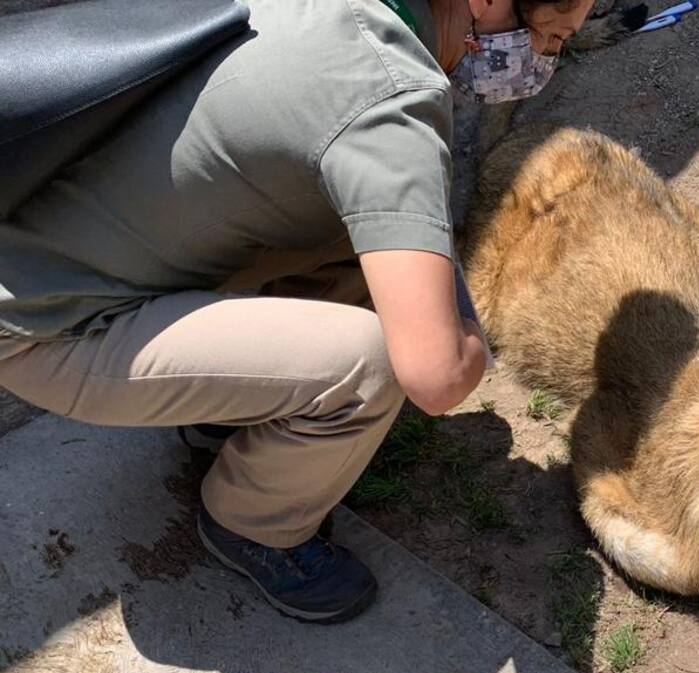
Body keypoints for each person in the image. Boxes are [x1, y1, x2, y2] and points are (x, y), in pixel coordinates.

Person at [0, 0, 594, 624]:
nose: (542, 63)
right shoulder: (393, 103)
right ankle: (252, 524)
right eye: (548, 38)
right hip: (46, 331)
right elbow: (437, 378)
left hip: (47, 249)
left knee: (363, 242)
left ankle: (227, 416)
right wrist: (471, 329)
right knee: (373, 365)